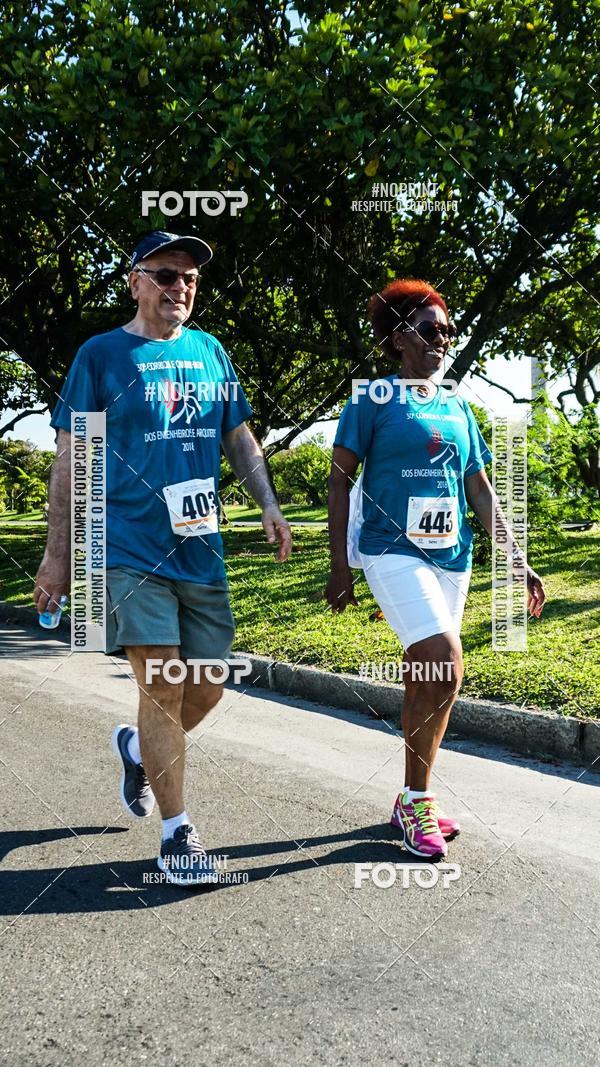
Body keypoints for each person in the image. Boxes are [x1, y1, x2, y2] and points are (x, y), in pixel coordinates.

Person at [34, 230, 292, 886]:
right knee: (164, 678)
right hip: (126, 547)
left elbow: (239, 435)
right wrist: (58, 556)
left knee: (207, 683)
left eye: (191, 278)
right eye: (168, 274)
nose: (182, 287)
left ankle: (137, 749)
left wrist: (268, 501)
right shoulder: (101, 356)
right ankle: (178, 835)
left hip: (200, 547)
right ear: (135, 281)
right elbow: (72, 457)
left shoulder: (211, 352)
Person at [325, 278, 545, 859]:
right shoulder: (370, 401)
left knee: (434, 678)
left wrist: (517, 560)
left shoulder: (457, 406)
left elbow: (478, 486)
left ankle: (409, 796)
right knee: (444, 663)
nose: (442, 339)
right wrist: (338, 565)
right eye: (430, 330)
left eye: (448, 330)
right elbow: (340, 479)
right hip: (389, 550)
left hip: (453, 554)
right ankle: (419, 803)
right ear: (398, 338)